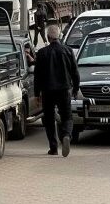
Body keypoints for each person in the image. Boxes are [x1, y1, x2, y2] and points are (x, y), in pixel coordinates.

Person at [34, 25, 80, 157]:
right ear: (59, 36)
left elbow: (38, 76)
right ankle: (66, 135)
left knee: (48, 119)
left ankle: (53, 148)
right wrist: (76, 89)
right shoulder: (68, 51)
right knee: (67, 116)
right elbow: (75, 72)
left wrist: (37, 94)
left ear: (48, 38)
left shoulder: (42, 53)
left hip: (47, 91)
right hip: (64, 90)